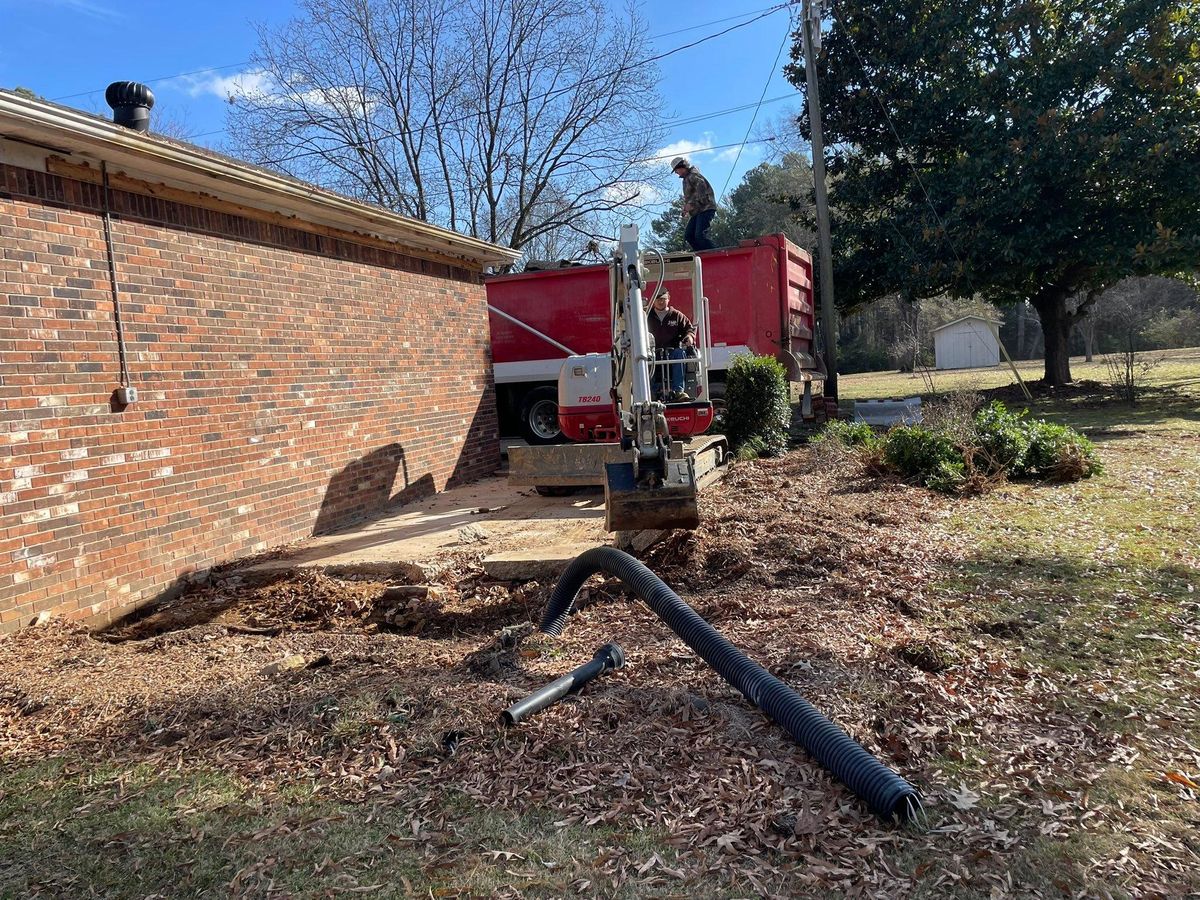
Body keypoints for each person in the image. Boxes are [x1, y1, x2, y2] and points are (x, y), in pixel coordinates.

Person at [646, 289, 696, 402]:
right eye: (658, 299)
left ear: (668, 299)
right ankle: (651, 393)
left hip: (672, 352)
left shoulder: (676, 315)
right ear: (653, 301)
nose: (660, 302)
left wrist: (690, 337)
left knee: (680, 353)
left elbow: (689, 328)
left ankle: (679, 391)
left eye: (663, 299)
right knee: (646, 357)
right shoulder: (646, 316)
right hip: (653, 353)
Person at [671, 156, 718, 251]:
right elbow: (692, 197)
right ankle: (702, 255)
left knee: (700, 235)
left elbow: (703, 195)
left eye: (676, 170)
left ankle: (715, 255)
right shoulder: (686, 179)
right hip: (697, 211)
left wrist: (691, 205)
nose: (676, 173)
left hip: (706, 208)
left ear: (681, 167)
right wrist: (686, 208)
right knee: (689, 235)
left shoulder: (694, 176)